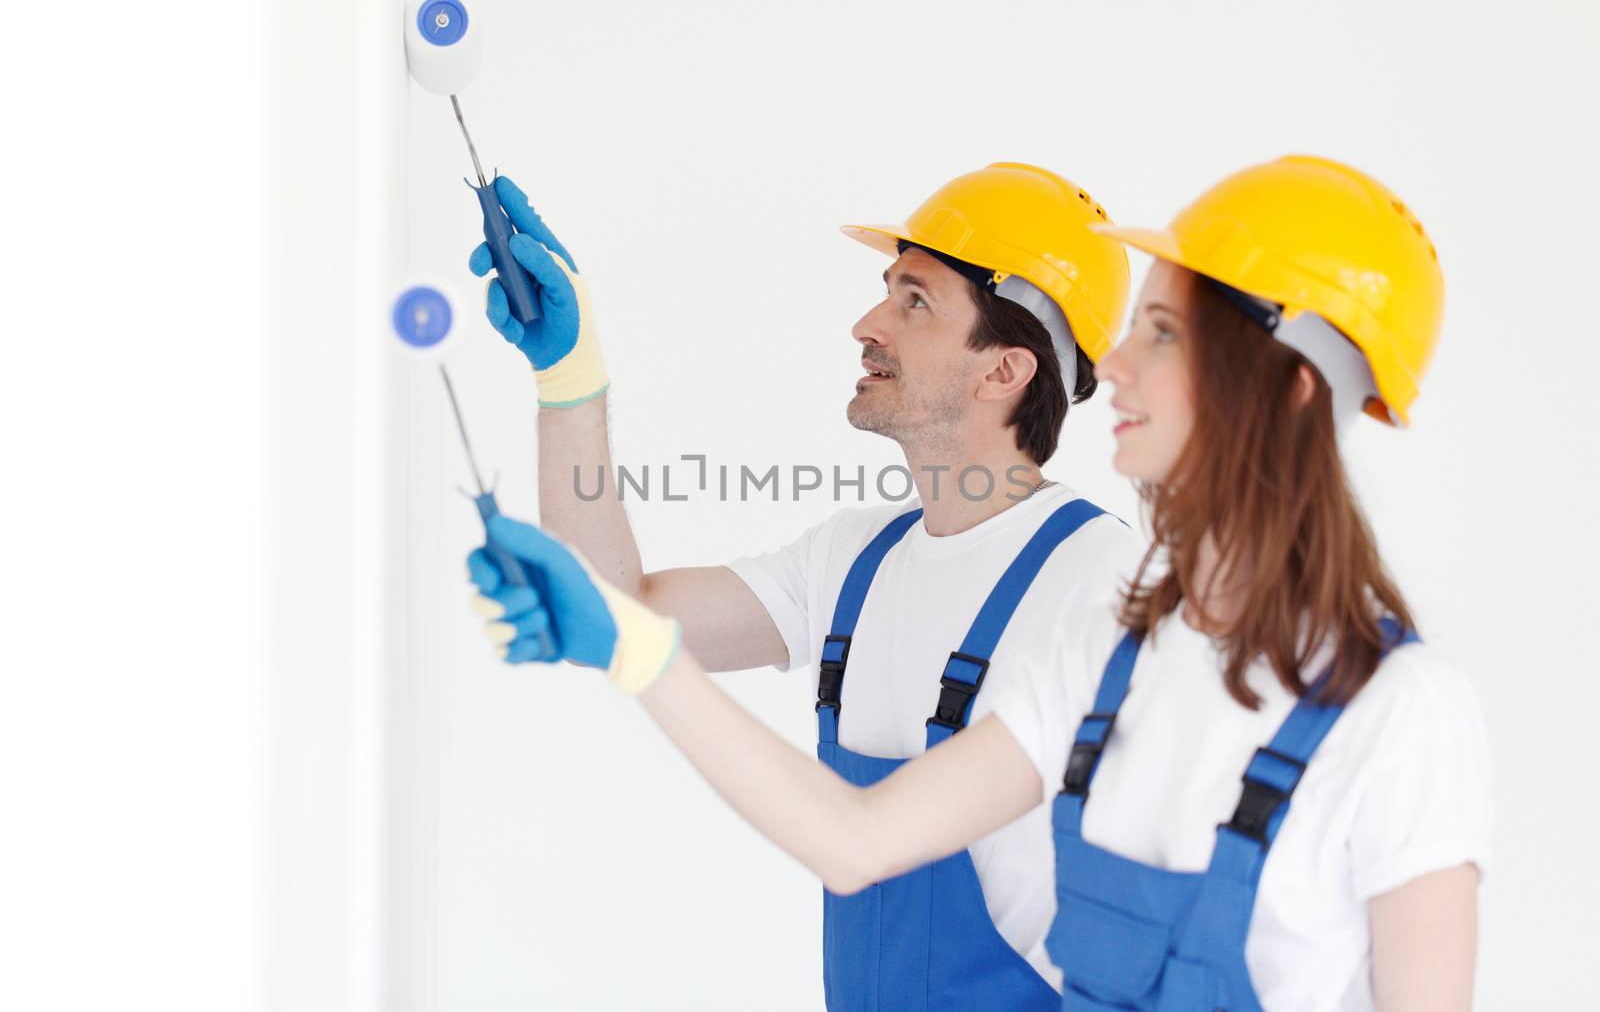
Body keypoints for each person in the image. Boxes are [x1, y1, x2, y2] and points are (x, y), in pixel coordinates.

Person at [469, 155, 1492, 1010]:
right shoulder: (1106, 648)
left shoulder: (1355, 696)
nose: (1119, 364)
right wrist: (573, 383)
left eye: (1164, 332)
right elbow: (848, 834)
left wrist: (634, 647)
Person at [469, 163, 1144, 1007]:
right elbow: (614, 609)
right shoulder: (854, 563)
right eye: (885, 293)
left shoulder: (1101, 586)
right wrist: (571, 378)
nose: (868, 324)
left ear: (1005, 371)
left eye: (915, 302)